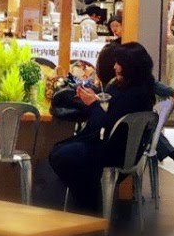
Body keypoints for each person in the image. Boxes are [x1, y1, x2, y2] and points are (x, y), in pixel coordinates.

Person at [49, 42, 155, 213]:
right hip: (127, 151)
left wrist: (92, 104)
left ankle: (88, 202)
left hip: (113, 151)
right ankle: (88, 199)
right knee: (62, 152)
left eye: (119, 62)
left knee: (61, 155)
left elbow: (105, 122)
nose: (114, 66)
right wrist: (96, 100)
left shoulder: (131, 93)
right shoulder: (142, 89)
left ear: (129, 65)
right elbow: (112, 115)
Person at [95, 14, 174, 173]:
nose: (115, 29)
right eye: (112, 26)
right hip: (130, 140)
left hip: (119, 146)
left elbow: (150, 82)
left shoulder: (126, 81)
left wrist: (172, 92)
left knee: (144, 126)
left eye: (117, 25)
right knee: (146, 127)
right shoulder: (121, 81)